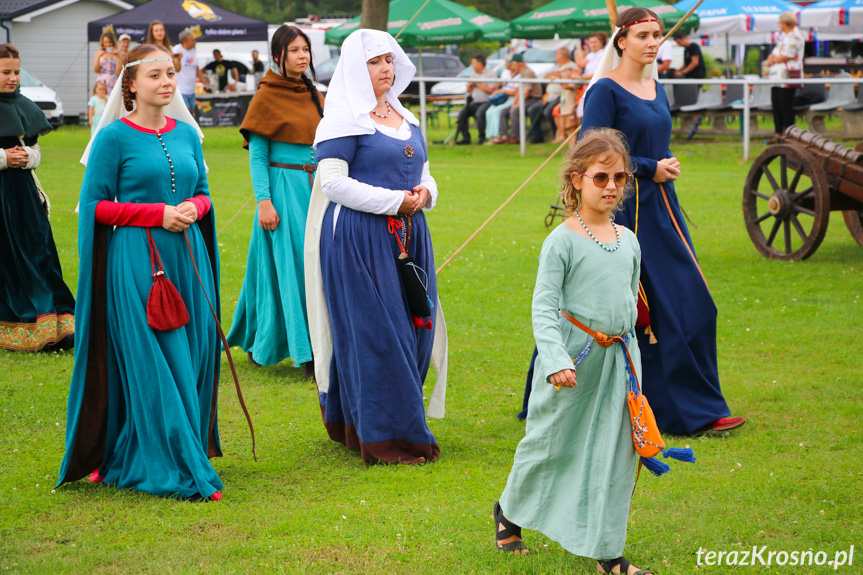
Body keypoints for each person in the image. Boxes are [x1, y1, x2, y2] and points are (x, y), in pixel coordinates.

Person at [57, 44, 226, 500]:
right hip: (137, 264)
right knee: (158, 360)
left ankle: (169, 447)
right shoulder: (112, 138)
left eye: (170, 73)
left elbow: (205, 193)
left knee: (191, 357)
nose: (167, 82)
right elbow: (95, 207)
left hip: (188, 262)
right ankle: (180, 466)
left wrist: (195, 206)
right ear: (130, 84)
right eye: (155, 75)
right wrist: (156, 214)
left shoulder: (189, 135)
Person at [581, 8, 745, 434]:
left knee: (695, 305)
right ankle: (686, 413)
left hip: (663, 208)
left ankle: (693, 406)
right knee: (631, 311)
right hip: (624, 211)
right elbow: (590, 153)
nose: (653, 42)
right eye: (643, 36)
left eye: (657, 35)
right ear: (622, 42)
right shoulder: (605, 91)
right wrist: (649, 166)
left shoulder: (658, 86)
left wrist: (661, 170)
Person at [495, 128, 651, 575]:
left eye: (620, 178)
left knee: (614, 452)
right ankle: (509, 511)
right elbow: (544, 307)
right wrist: (556, 360)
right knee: (548, 442)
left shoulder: (629, 239)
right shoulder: (561, 241)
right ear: (577, 180)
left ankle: (608, 552)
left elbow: (630, 306)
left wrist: (635, 366)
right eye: (601, 177)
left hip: (619, 362)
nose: (611, 187)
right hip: (575, 361)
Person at [305, 28, 448, 465]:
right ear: (354, 68)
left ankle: (356, 420)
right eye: (375, 61)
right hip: (360, 239)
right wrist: (394, 202)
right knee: (376, 334)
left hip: (409, 234)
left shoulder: (404, 118)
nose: (386, 68)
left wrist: (424, 195)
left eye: (389, 60)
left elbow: (424, 173)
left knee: (415, 329)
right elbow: (331, 182)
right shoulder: (343, 119)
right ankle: (392, 436)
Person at [227, 25, 324, 373]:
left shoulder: (313, 93)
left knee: (317, 264)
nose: (302, 56)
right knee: (294, 266)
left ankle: (311, 342)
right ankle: (308, 350)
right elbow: (257, 156)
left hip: (317, 189)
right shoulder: (266, 96)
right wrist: (263, 201)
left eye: (306, 50)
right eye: (295, 50)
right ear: (278, 55)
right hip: (283, 190)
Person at [0, 43, 75, 352]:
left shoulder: (24, 104)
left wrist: (25, 156)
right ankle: (16, 322)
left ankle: (53, 320)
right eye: (6, 72)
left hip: (23, 194)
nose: (13, 78)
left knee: (37, 249)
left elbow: (36, 151)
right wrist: (4, 157)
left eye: (16, 72)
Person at [765, 11, 805, 143]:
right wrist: (771, 57)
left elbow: (788, 55)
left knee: (785, 106)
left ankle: (790, 135)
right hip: (776, 77)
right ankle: (778, 134)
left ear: (785, 23)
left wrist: (773, 60)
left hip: (788, 76)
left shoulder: (796, 36)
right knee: (776, 104)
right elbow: (776, 52)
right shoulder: (783, 36)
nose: (779, 25)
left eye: (780, 23)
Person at [527, 47, 579, 143]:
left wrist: (557, 75)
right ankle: (537, 138)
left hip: (562, 95)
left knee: (549, 111)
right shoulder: (556, 66)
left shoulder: (572, 66)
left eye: (557, 54)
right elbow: (546, 76)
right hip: (549, 96)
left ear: (562, 55)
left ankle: (558, 134)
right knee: (532, 110)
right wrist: (556, 75)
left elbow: (566, 81)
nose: (555, 56)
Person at [495, 53, 542, 144]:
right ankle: (503, 135)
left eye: (513, 64)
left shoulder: (527, 72)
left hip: (533, 98)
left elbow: (526, 92)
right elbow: (519, 91)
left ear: (517, 63)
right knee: (504, 111)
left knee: (515, 111)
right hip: (527, 98)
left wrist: (517, 105)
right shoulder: (522, 73)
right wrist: (514, 103)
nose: (512, 67)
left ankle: (515, 137)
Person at [455, 54, 499, 145]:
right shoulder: (473, 75)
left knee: (480, 114)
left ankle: (481, 138)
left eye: (473, 63)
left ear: (480, 64)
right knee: (462, 114)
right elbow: (468, 90)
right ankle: (466, 138)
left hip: (487, 101)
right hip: (475, 102)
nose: (472, 66)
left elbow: (491, 90)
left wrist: (477, 83)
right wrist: (469, 85)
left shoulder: (491, 74)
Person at [484, 56, 519, 142]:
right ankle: (491, 136)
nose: (505, 64)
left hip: (512, 98)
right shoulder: (505, 72)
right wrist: (496, 87)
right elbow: (503, 82)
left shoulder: (520, 75)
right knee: (489, 112)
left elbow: (517, 92)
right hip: (503, 97)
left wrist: (503, 91)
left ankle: (498, 136)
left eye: (506, 63)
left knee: (497, 111)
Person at [173, 29, 207, 114]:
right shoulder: (176, 50)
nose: (194, 42)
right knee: (186, 112)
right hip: (180, 89)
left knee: (191, 112)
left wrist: (205, 82)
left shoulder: (193, 51)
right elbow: (173, 68)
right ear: (185, 41)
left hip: (191, 89)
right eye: (192, 40)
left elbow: (196, 68)